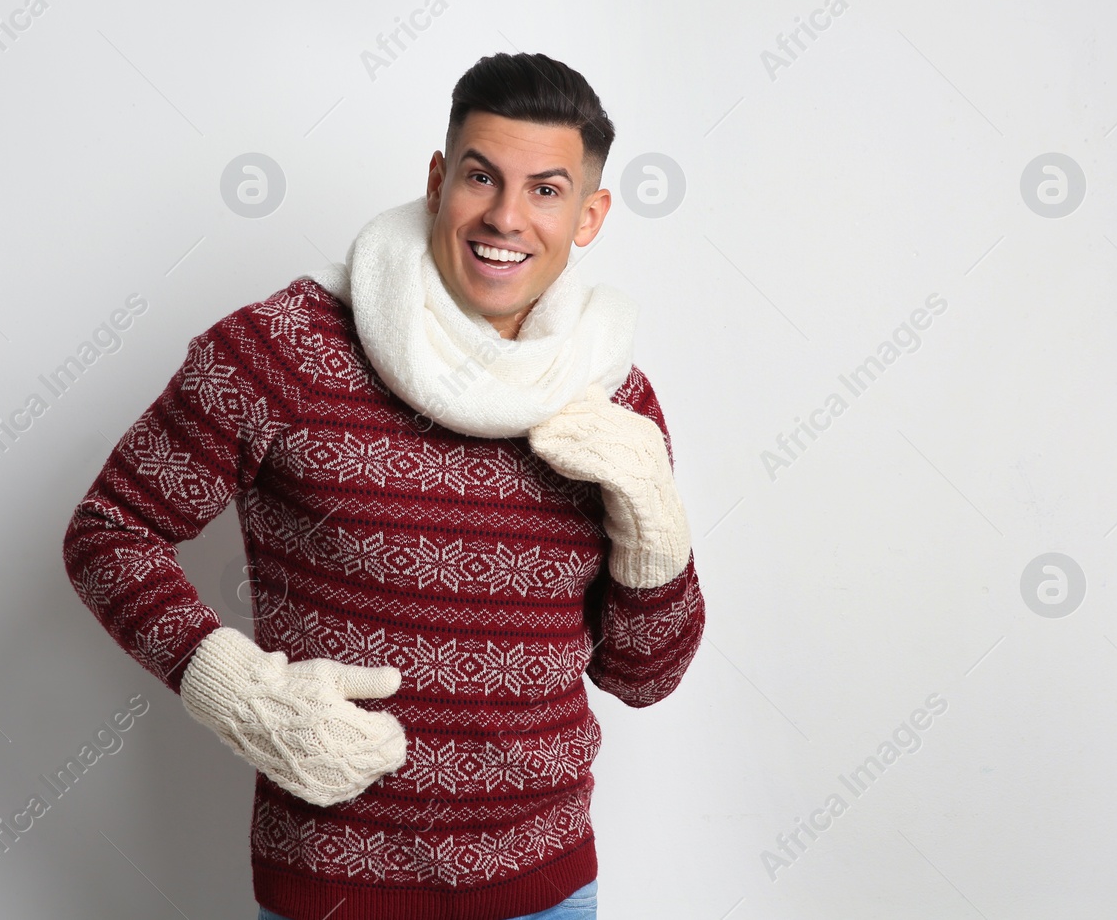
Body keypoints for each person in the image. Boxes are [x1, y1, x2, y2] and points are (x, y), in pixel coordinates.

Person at [63, 52, 705, 920]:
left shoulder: (612, 397)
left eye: (546, 191)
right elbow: (110, 529)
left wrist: (656, 528)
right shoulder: (283, 349)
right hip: (336, 887)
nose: (506, 217)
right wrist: (238, 689)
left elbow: (642, 674)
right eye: (482, 176)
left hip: (547, 888)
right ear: (439, 179)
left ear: (589, 215)